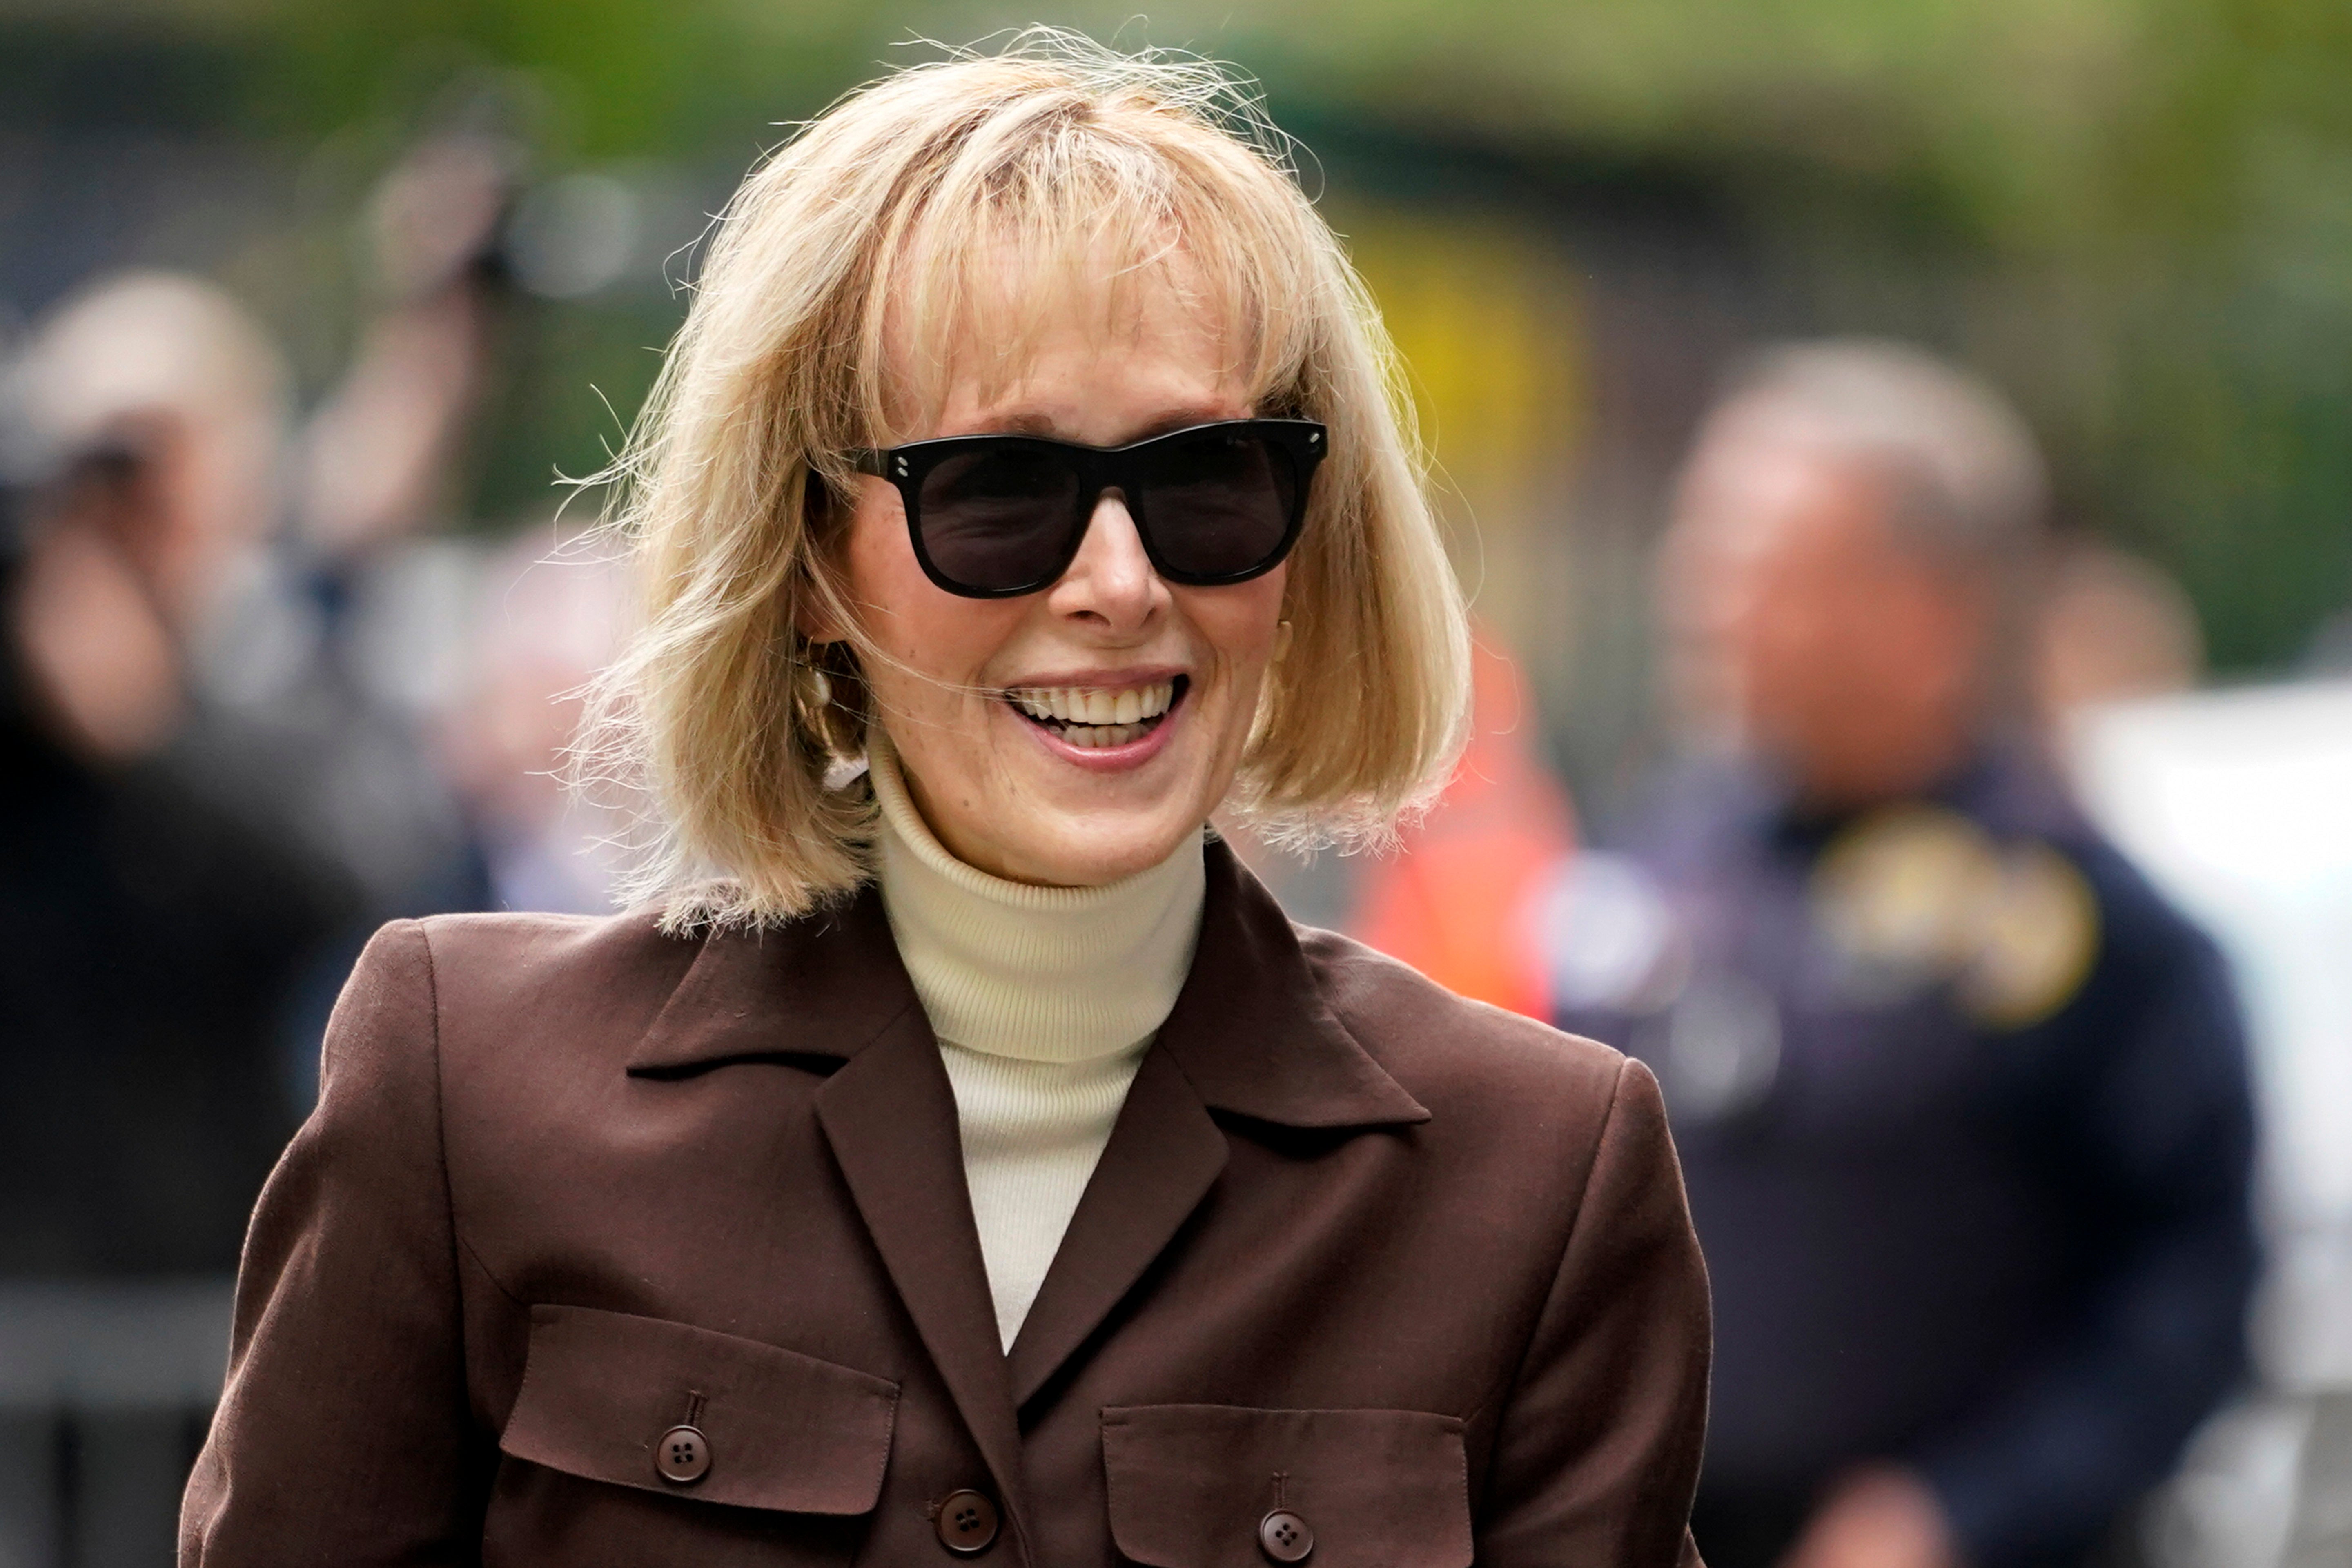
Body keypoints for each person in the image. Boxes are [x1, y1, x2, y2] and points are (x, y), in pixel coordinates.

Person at [182, 37, 1711, 1567]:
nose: (1120, 585)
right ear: (810, 567)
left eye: (1208, 482)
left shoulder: (1542, 1177)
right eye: (997, 491)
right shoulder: (471, 1089)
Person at [1558, 341, 2257, 1568]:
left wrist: (1966, 1514)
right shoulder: (1656, 859)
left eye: (1761, 568)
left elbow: (2190, 1292)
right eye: (1701, 554)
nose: (1703, 599)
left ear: (1930, 614)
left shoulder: (2084, 926)